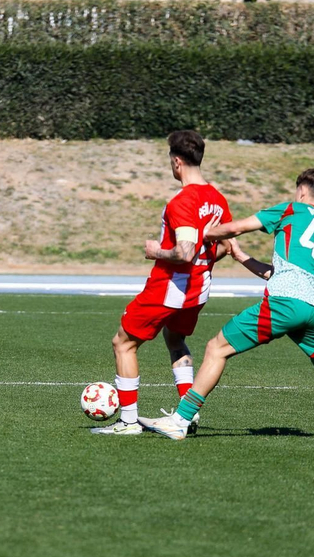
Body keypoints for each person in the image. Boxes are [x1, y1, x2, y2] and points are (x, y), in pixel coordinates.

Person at [140, 168, 314, 442]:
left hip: (285, 304)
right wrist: (242, 258)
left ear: (302, 191)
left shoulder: (291, 209)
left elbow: (236, 228)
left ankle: (180, 421)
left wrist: (201, 234)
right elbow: (281, 273)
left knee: (217, 348)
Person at [91, 129, 236, 437]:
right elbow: (225, 245)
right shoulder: (216, 198)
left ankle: (128, 421)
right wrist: (203, 262)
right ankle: (186, 415)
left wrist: (156, 251)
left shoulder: (183, 201)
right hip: (199, 289)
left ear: (177, 161)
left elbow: (183, 252)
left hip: (170, 287)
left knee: (123, 343)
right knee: (175, 340)